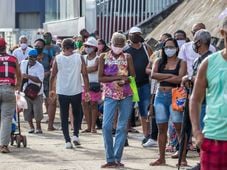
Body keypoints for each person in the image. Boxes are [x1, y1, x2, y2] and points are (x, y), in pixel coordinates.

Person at [190, 17, 227, 170]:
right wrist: (197, 131)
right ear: (223, 32)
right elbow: (195, 99)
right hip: (214, 138)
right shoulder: (209, 63)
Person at [99, 32, 135, 168]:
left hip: (126, 94)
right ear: (111, 44)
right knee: (106, 126)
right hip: (109, 94)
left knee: (122, 127)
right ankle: (109, 158)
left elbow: (133, 75)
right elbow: (100, 78)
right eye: (116, 45)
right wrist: (116, 78)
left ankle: (116, 158)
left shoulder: (128, 57)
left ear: (124, 45)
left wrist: (126, 79)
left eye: (121, 45)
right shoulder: (104, 57)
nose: (118, 47)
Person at [150, 38, 187, 166]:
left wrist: (164, 76)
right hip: (160, 95)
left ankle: (182, 158)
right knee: (161, 128)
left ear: (177, 48)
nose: (168, 49)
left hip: (176, 95)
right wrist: (170, 76)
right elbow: (153, 75)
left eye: (171, 47)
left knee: (179, 127)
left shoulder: (181, 62)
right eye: (166, 47)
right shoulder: (159, 61)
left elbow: (180, 79)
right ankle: (161, 158)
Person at [49, 38, 90, 149]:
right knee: (77, 114)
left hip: (62, 91)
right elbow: (85, 75)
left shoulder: (57, 58)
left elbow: (52, 76)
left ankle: (67, 141)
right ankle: (75, 135)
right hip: (76, 90)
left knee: (64, 115)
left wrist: (51, 90)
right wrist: (87, 90)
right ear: (73, 47)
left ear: (62, 47)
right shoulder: (79, 57)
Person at [124, 26, 153, 144]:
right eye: (133, 34)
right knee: (126, 111)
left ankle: (146, 135)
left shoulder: (147, 48)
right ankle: (123, 136)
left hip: (144, 83)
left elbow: (152, 62)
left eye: (138, 34)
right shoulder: (125, 50)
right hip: (130, 84)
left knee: (144, 111)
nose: (136, 36)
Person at [0, 38, 21, 153]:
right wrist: (17, 86)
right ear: (5, 47)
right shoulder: (13, 58)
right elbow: (19, 75)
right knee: (6, 118)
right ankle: (3, 145)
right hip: (9, 89)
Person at [20, 49, 44, 134]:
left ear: (37, 57)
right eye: (30, 57)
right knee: (27, 110)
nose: (32, 59)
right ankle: (31, 127)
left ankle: (38, 127)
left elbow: (39, 80)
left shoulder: (40, 66)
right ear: (28, 56)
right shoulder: (23, 63)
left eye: (34, 57)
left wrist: (28, 76)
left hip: (37, 92)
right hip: (26, 91)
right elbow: (20, 75)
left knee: (38, 111)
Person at [81, 37, 101, 133]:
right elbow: (89, 68)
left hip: (94, 84)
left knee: (93, 105)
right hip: (84, 84)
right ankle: (89, 126)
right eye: (86, 46)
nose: (87, 48)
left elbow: (95, 68)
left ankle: (93, 127)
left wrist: (84, 69)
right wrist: (85, 69)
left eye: (89, 46)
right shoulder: (83, 57)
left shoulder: (98, 58)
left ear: (94, 48)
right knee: (85, 105)